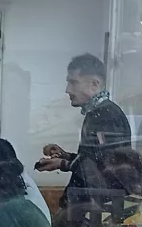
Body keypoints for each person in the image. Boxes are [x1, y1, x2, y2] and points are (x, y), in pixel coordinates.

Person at [35, 54, 132, 207]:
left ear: (94, 84)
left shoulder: (107, 116)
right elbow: (95, 159)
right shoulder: (98, 113)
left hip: (96, 211)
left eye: (73, 83)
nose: (68, 90)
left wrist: (64, 164)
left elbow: (106, 171)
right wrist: (66, 157)